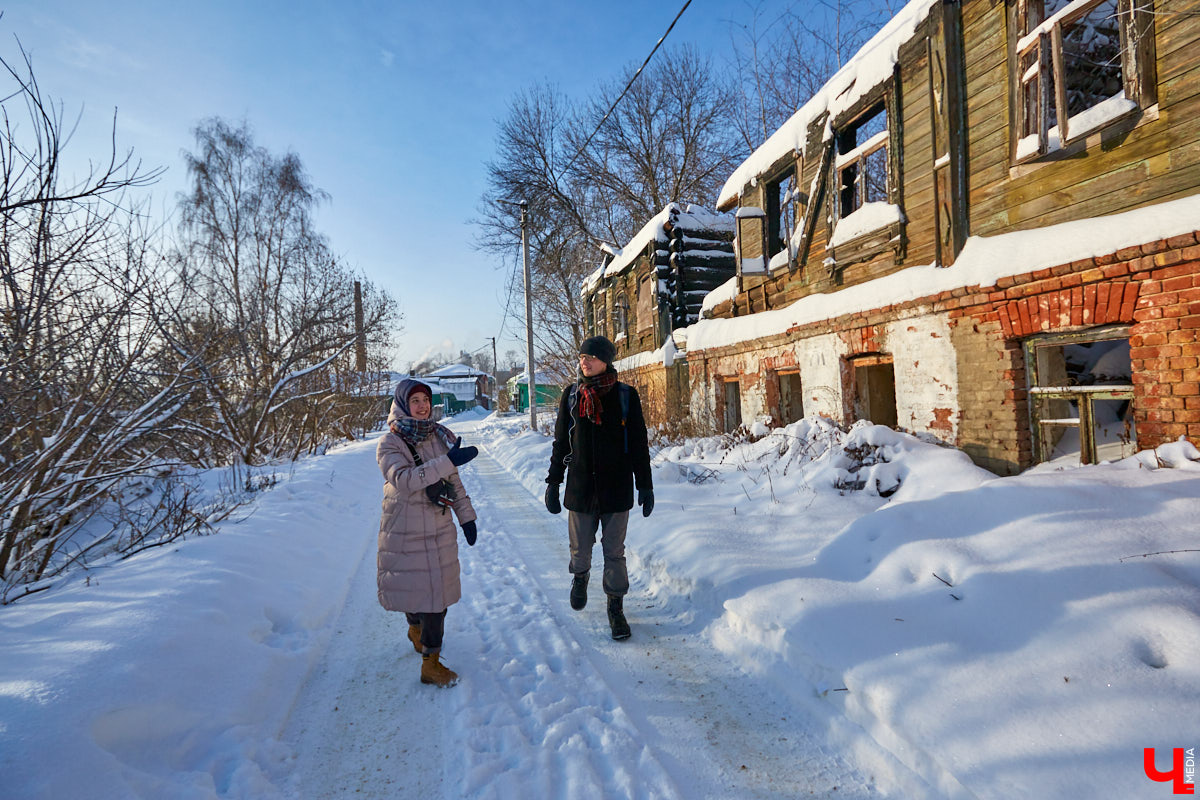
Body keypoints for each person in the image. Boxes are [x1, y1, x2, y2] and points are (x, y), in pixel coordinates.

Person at [544, 335, 653, 641]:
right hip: (580, 488)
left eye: (591, 357)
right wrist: (553, 482)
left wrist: (645, 485)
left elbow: (639, 445)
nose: (585, 362)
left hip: (616, 489)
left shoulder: (626, 396)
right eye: (582, 357)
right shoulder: (572, 396)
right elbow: (561, 443)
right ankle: (580, 577)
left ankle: (615, 608)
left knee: (614, 552)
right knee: (580, 549)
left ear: (606, 360)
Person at [376, 378, 479, 687]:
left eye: (425, 400)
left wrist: (466, 517)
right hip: (404, 528)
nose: (422, 406)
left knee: (437, 598)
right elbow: (405, 480)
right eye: (415, 401)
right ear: (403, 404)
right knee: (414, 590)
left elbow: (453, 481)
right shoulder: (389, 443)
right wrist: (446, 461)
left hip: (438, 526)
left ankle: (430, 663)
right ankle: (415, 628)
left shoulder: (438, 436)